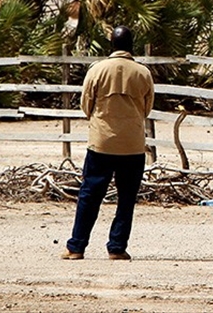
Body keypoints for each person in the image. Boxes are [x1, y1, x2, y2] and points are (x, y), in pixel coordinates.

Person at [64, 26, 155, 261]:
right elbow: (147, 108)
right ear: (131, 45)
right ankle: (116, 247)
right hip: (133, 144)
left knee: (89, 195)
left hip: (101, 142)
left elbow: (86, 105)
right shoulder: (143, 72)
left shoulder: (97, 70)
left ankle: (76, 246)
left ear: (111, 45)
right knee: (126, 198)